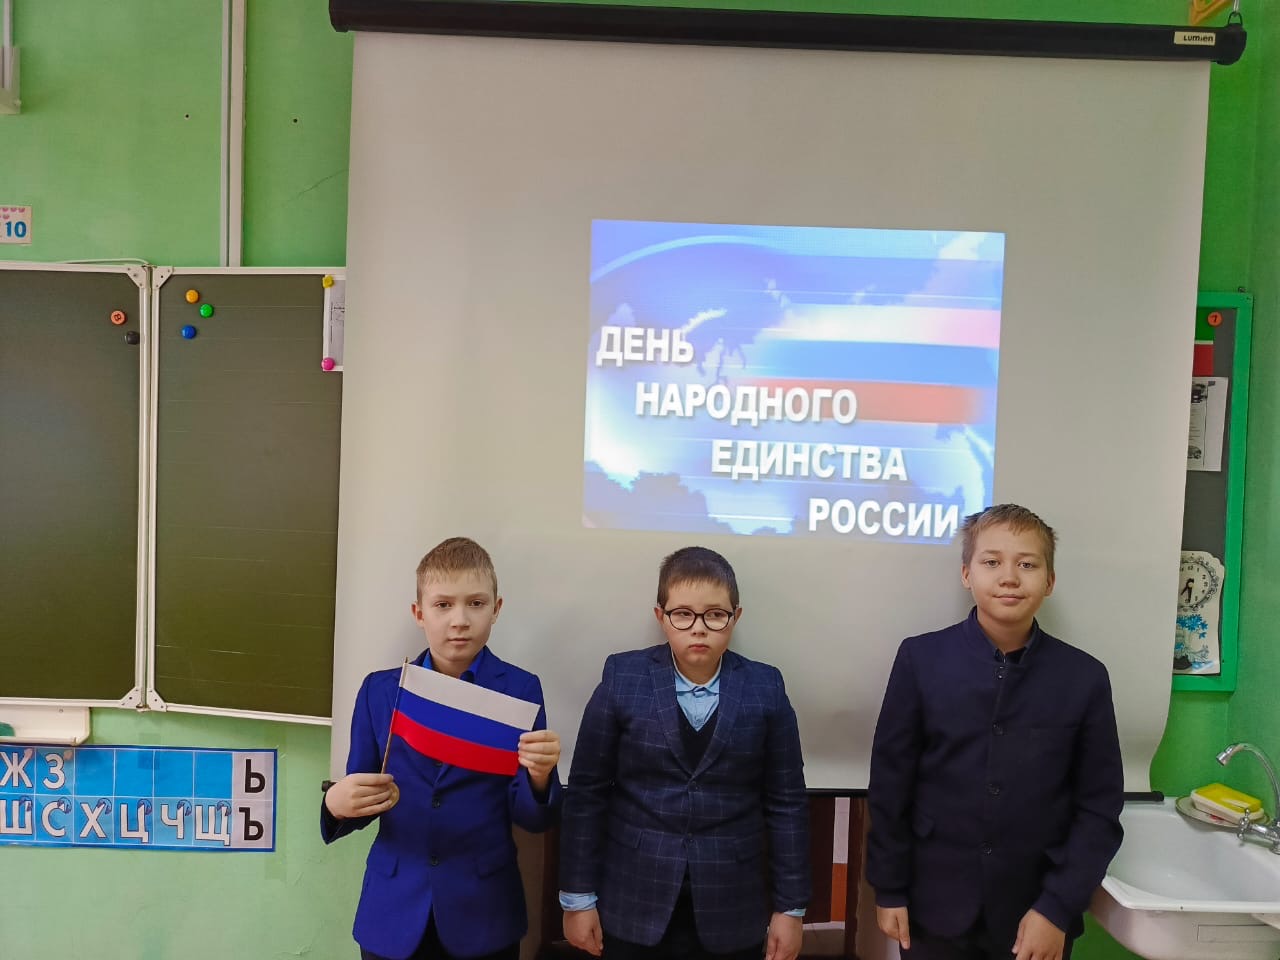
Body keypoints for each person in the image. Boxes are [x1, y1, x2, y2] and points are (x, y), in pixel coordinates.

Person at [867, 504, 1124, 960]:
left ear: (1050, 581)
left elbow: (1098, 809)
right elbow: (891, 786)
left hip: (1036, 911)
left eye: (1027, 564)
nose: (1009, 577)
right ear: (967, 573)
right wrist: (888, 888)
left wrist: (1057, 908)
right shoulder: (920, 660)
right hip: (934, 903)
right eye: (992, 562)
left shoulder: (1084, 677)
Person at [559, 546, 810, 960]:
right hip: (633, 900)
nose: (699, 629)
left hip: (732, 903)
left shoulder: (766, 687)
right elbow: (587, 792)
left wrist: (791, 908)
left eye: (715, 615)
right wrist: (577, 898)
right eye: (683, 614)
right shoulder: (623, 677)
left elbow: (787, 803)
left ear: (735, 617)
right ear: (661, 616)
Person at [321, 537, 562, 960]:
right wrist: (335, 805)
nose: (460, 621)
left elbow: (530, 816)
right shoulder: (381, 690)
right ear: (419, 613)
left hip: (484, 911)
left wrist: (540, 778)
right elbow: (362, 794)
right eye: (443, 605)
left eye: (476, 604)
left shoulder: (521, 689)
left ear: (496, 608)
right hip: (392, 911)